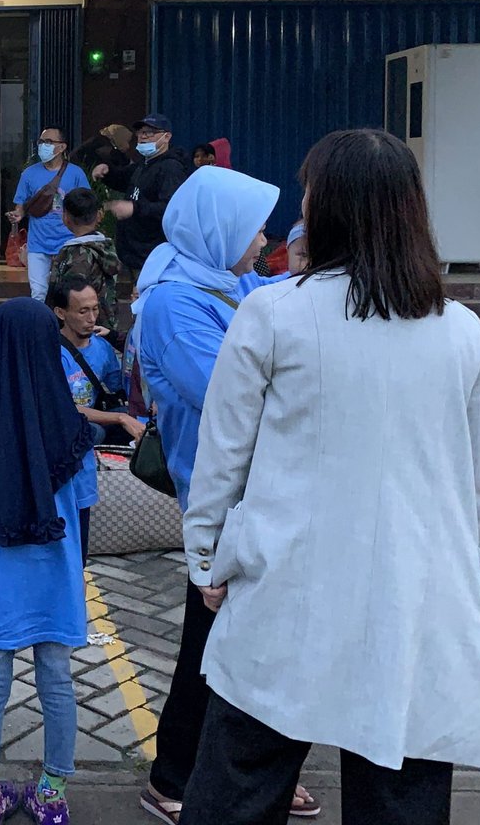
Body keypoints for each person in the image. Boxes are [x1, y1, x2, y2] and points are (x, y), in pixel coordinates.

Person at [181, 129, 480, 825]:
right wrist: (458, 570)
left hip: (287, 587)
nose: (300, 205)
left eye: (308, 191)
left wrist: (207, 559)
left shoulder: (274, 312)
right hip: (416, 599)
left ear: (327, 208)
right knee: (400, 788)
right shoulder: (462, 331)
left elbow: (222, 458)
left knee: (240, 783)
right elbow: (477, 487)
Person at [131, 166, 320, 824]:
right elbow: (230, 396)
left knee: (255, 639)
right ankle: (175, 776)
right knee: (212, 644)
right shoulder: (172, 303)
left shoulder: (225, 278)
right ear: (219, 230)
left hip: (260, 486)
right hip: (221, 494)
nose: (263, 240)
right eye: (254, 229)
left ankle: (256, 773)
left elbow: (278, 297)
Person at [0, 299, 99, 825]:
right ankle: (53, 795)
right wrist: (76, 570)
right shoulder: (74, 432)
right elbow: (84, 508)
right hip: (56, 575)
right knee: (57, 677)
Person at [47, 272, 144, 447]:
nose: (91, 319)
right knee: (94, 431)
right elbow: (61, 406)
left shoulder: (101, 346)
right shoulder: (51, 352)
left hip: (94, 415)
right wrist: (120, 417)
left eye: (95, 309)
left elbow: (120, 389)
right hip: (62, 422)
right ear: (61, 313)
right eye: (83, 312)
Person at [94, 113, 189, 278]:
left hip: (152, 255)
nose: (143, 137)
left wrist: (135, 208)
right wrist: (107, 173)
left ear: (166, 137)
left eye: (150, 132)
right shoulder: (144, 164)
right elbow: (123, 179)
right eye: (140, 132)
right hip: (135, 253)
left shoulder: (170, 168)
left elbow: (171, 209)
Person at [8, 127, 92, 301]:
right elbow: (20, 205)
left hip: (68, 242)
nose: (43, 146)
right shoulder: (29, 174)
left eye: (48, 142)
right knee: (38, 293)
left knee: (68, 293)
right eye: (41, 142)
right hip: (38, 243)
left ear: (62, 147)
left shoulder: (76, 173)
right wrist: (18, 215)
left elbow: (86, 204)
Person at [48, 188, 122, 335]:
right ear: (99, 215)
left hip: (79, 332)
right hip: (105, 326)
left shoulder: (77, 254)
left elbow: (72, 297)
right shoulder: (106, 247)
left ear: (66, 217)